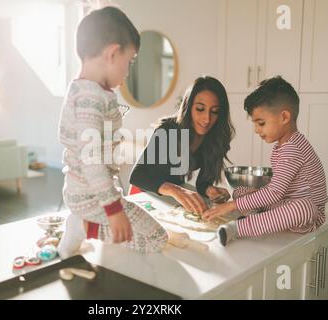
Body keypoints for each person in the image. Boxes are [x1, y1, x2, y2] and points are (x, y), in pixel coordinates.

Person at [57, 6, 168, 258]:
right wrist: (113, 209)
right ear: (112, 54)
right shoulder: (91, 98)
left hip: (81, 192)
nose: (127, 73)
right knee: (157, 238)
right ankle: (83, 227)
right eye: (128, 62)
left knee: (135, 233)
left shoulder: (81, 91)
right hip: (92, 198)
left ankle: (85, 226)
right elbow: (91, 160)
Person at [203, 76, 328, 246]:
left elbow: (275, 192)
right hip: (285, 201)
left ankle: (239, 228)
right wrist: (243, 197)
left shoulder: (294, 149)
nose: (256, 130)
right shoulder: (282, 146)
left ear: (284, 117)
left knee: (303, 208)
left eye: (261, 123)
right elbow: (278, 188)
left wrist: (232, 206)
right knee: (241, 191)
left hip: (309, 216)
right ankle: (258, 216)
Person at [130, 76, 235, 214]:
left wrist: (209, 190)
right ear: (188, 107)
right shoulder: (168, 131)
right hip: (145, 194)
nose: (207, 119)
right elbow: (137, 176)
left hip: (171, 200)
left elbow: (202, 182)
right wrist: (177, 190)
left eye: (214, 111)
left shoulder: (214, 138)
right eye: (200, 109)